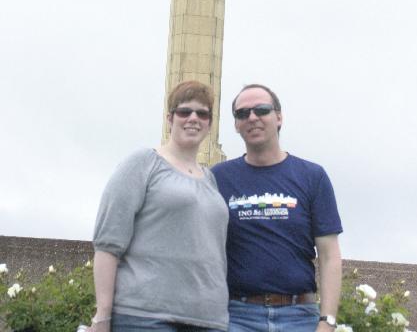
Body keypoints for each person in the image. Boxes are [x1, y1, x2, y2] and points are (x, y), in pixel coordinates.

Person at [86, 80, 229, 332]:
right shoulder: (143, 163)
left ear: (210, 123)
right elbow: (108, 243)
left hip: (208, 319)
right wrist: (102, 317)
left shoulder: (210, 180)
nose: (193, 118)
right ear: (170, 118)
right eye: (185, 111)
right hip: (146, 316)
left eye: (202, 113)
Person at [212, 84, 342, 332]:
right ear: (236, 124)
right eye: (242, 113)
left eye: (261, 110)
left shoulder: (312, 176)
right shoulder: (218, 178)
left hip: (299, 316)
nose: (252, 117)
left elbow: (329, 255)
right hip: (237, 317)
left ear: (279, 117)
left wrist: (327, 322)